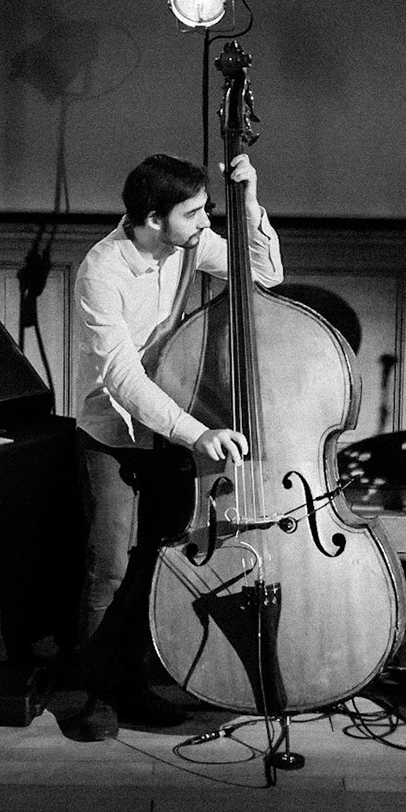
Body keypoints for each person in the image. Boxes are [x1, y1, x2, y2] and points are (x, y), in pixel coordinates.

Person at [67, 152, 282, 741]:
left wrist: (249, 201)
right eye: (194, 213)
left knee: (155, 564)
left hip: (172, 433)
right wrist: (196, 432)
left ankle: (136, 683)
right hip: (112, 436)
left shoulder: (189, 244)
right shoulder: (101, 271)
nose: (204, 222)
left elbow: (263, 273)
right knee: (108, 569)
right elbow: (122, 379)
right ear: (154, 219)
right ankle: (97, 696)